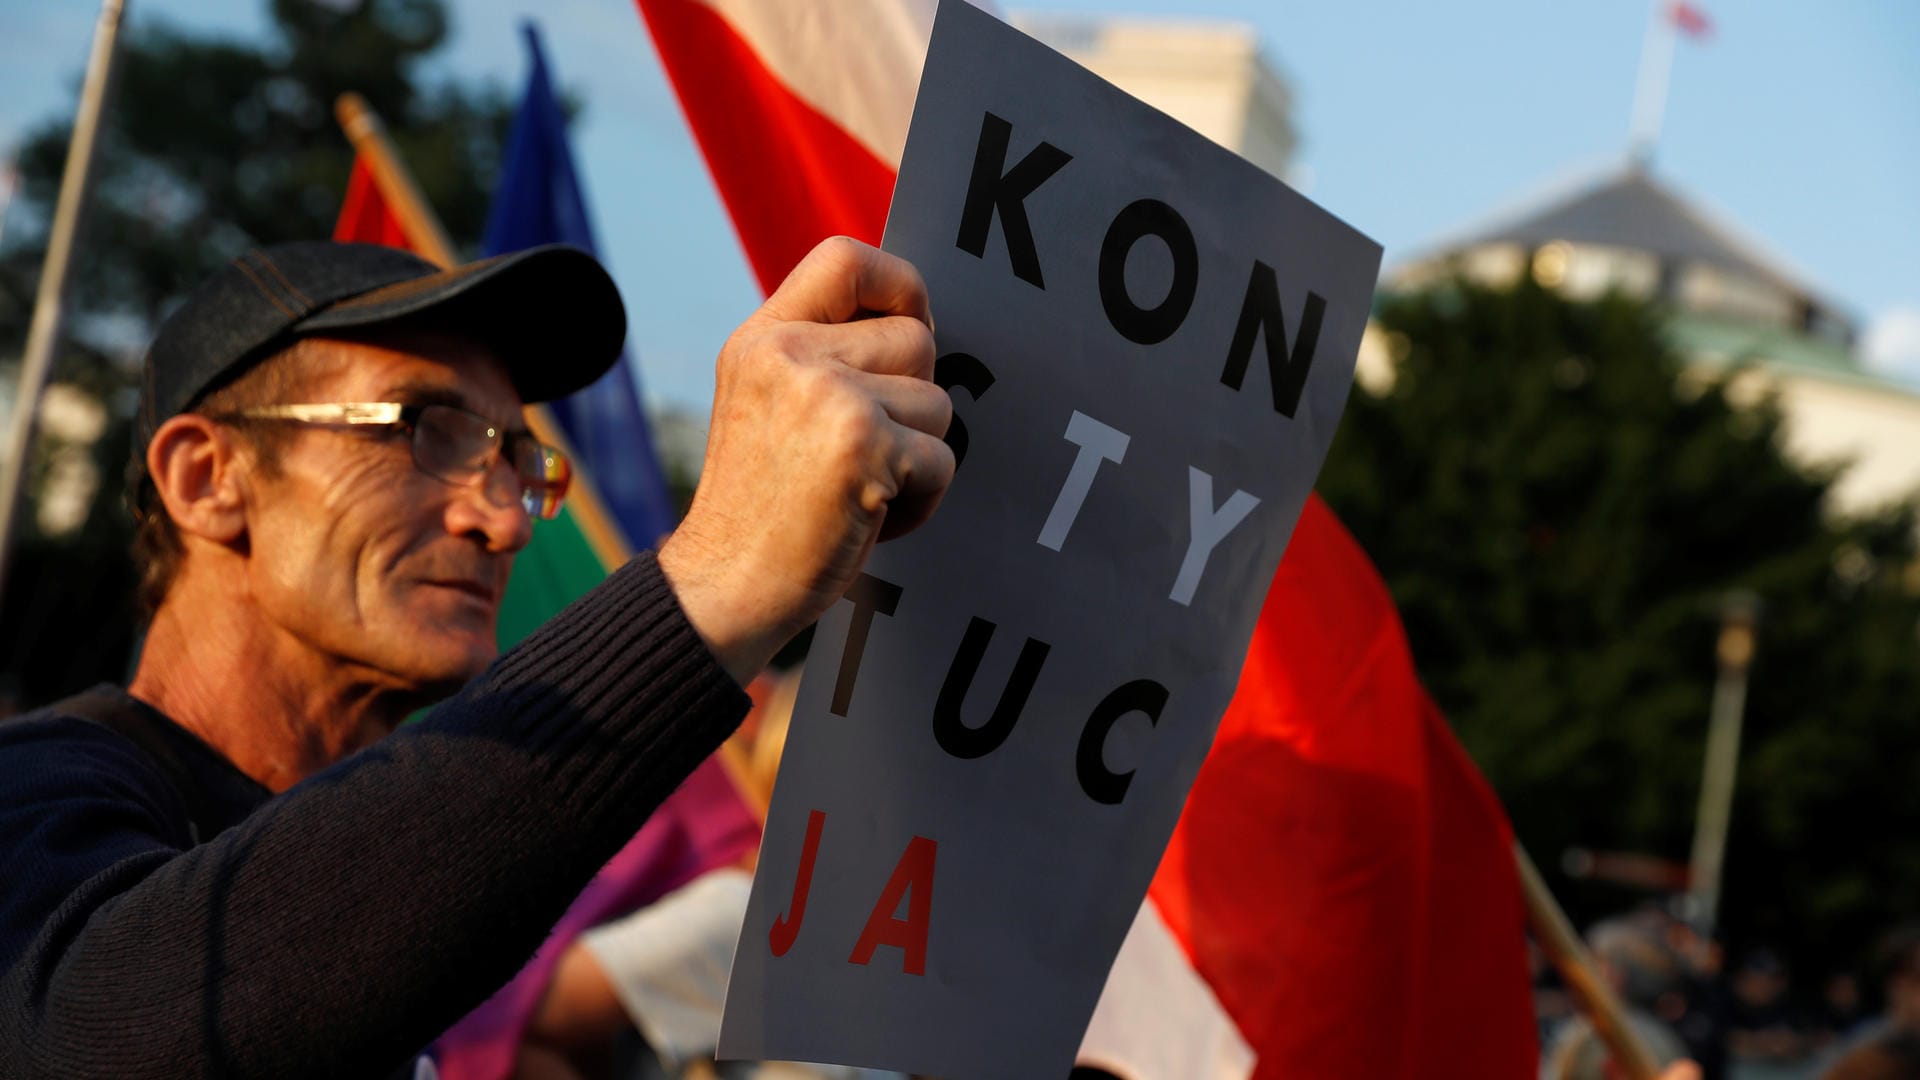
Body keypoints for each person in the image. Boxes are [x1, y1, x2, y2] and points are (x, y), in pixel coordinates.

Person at [0, 235, 953, 1078]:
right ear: (206, 479)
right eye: (424, 431)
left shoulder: (418, 890)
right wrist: (713, 582)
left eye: (516, 463)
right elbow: (103, 1035)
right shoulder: (36, 791)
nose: (501, 519)